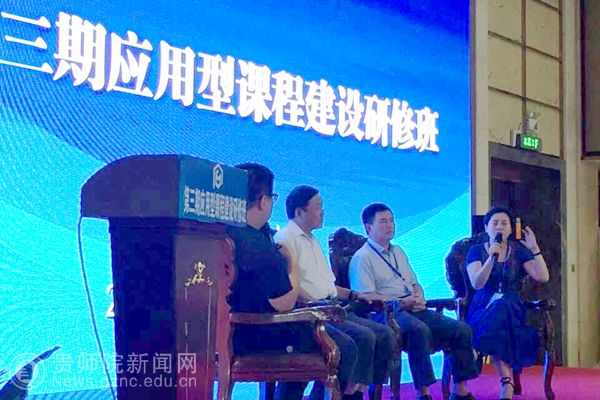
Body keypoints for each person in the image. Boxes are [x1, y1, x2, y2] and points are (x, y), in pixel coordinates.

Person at [274, 186, 395, 400]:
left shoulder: (313, 240)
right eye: (318, 207)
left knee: (384, 334)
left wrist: (354, 295)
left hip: (332, 307)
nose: (323, 212)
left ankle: (357, 392)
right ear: (300, 212)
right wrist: (318, 305)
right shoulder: (285, 240)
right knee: (360, 338)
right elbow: (290, 289)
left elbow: (328, 286)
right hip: (311, 313)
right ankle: (342, 394)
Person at [349, 203, 478, 400]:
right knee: (418, 330)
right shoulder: (362, 258)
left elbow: (414, 283)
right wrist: (401, 303)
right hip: (385, 313)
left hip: (413, 308)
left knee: (461, 329)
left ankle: (460, 391)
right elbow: (367, 298)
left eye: (391, 220)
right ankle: (423, 393)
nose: (390, 225)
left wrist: (419, 296)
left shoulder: (398, 251)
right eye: (383, 221)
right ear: (368, 228)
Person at [226, 163, 320, 400]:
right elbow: (285, 303)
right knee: (335, 342)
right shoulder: (260, 245)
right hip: (257, 334)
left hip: (220, 334)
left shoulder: (220, 232)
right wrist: (292, 264)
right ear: (264, 201)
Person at [465, 206, 550, 400]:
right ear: (486, 227)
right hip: (484, 306)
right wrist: (491, 258)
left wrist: (534, 249)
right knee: (500, 318)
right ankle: (507, 383)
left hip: (511, 306)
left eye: (504, 223)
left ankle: (477, 347)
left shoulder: (518, 251)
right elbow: (477, 283)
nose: (499, 227)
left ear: (511, 229)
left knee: (504, 307)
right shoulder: (476, 251)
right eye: (495, 223)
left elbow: (542, 277)